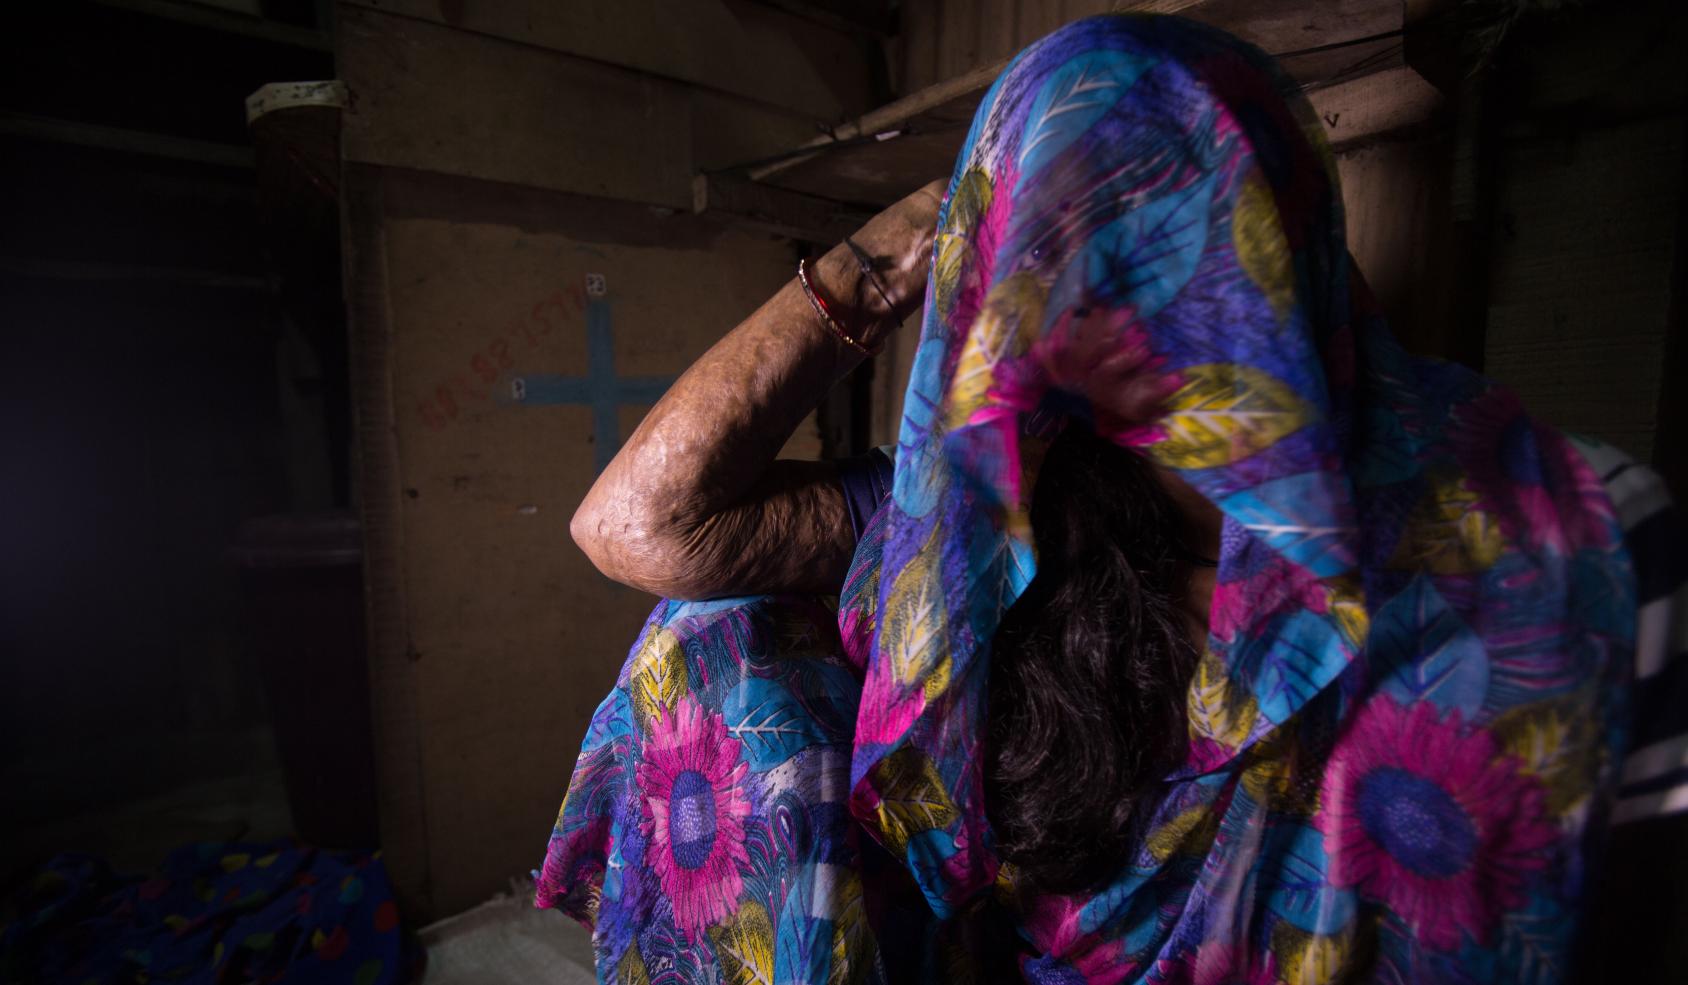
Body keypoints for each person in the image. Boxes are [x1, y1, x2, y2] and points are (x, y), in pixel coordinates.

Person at [538, 14, 1686, 983]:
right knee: (714, 637)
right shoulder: (981, 518)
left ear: (1287, 244)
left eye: (1182, 223)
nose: (1135, 285)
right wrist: (903, 247)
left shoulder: (1566, 538)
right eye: (1068, 240)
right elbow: (643, 523)